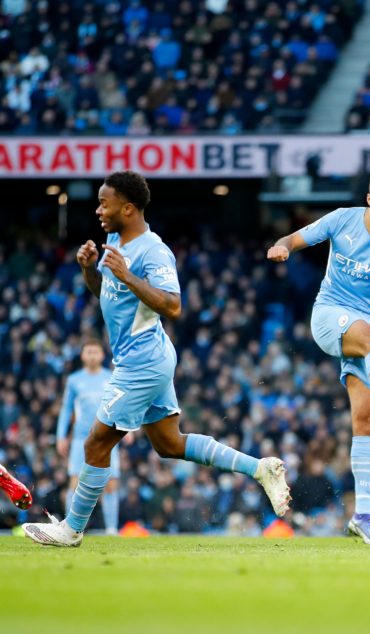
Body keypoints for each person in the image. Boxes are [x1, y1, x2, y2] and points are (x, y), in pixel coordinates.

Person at [24, 171, 291, 548]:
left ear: (128, 208)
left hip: (143, 359)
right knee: (168, 444)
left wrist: (127, 275)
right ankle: (260, 468)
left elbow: (173, 304)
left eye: (105, 203)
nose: (99, 210)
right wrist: (89, 269)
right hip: (144, 355)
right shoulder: (115, 240)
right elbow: (108, 295)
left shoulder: (153, 250)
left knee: (96, 444)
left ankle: (71, 529)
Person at [267, 166, 370, 544]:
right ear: (369, 198)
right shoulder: (342, 220)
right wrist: (282, 247)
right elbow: (294, 238)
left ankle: (362, 515)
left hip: (368, 330)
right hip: (330, 315)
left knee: (365, 419)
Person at [57, 338, 119, 534]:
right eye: (88, 352)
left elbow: (119, 406)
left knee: (110, 483)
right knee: (75, 482)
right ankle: (70, 527)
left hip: (107, 437)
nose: (92, 356)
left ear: (102, 355)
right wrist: (60, 436)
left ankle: (111, 529)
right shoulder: (74, 380)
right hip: (80, 439)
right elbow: (66, 409)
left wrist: (129, 430)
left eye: (96, 352)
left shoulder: (112, 377)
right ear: (83, 355)